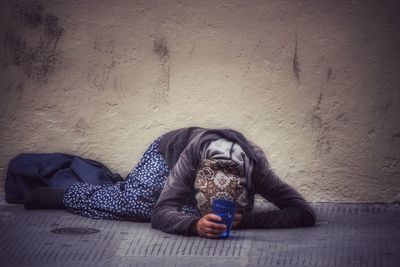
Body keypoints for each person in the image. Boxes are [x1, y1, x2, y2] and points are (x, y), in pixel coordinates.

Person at [24, 127, 316, 238]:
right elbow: (160, 213)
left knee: (185, 212)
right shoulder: (189, 160)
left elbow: (303, 212)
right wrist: (194, 226)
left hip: (193, 184)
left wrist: (247, 221)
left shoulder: (255, 167)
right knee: (134, 204)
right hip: (167, 154)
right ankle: (65, 194)